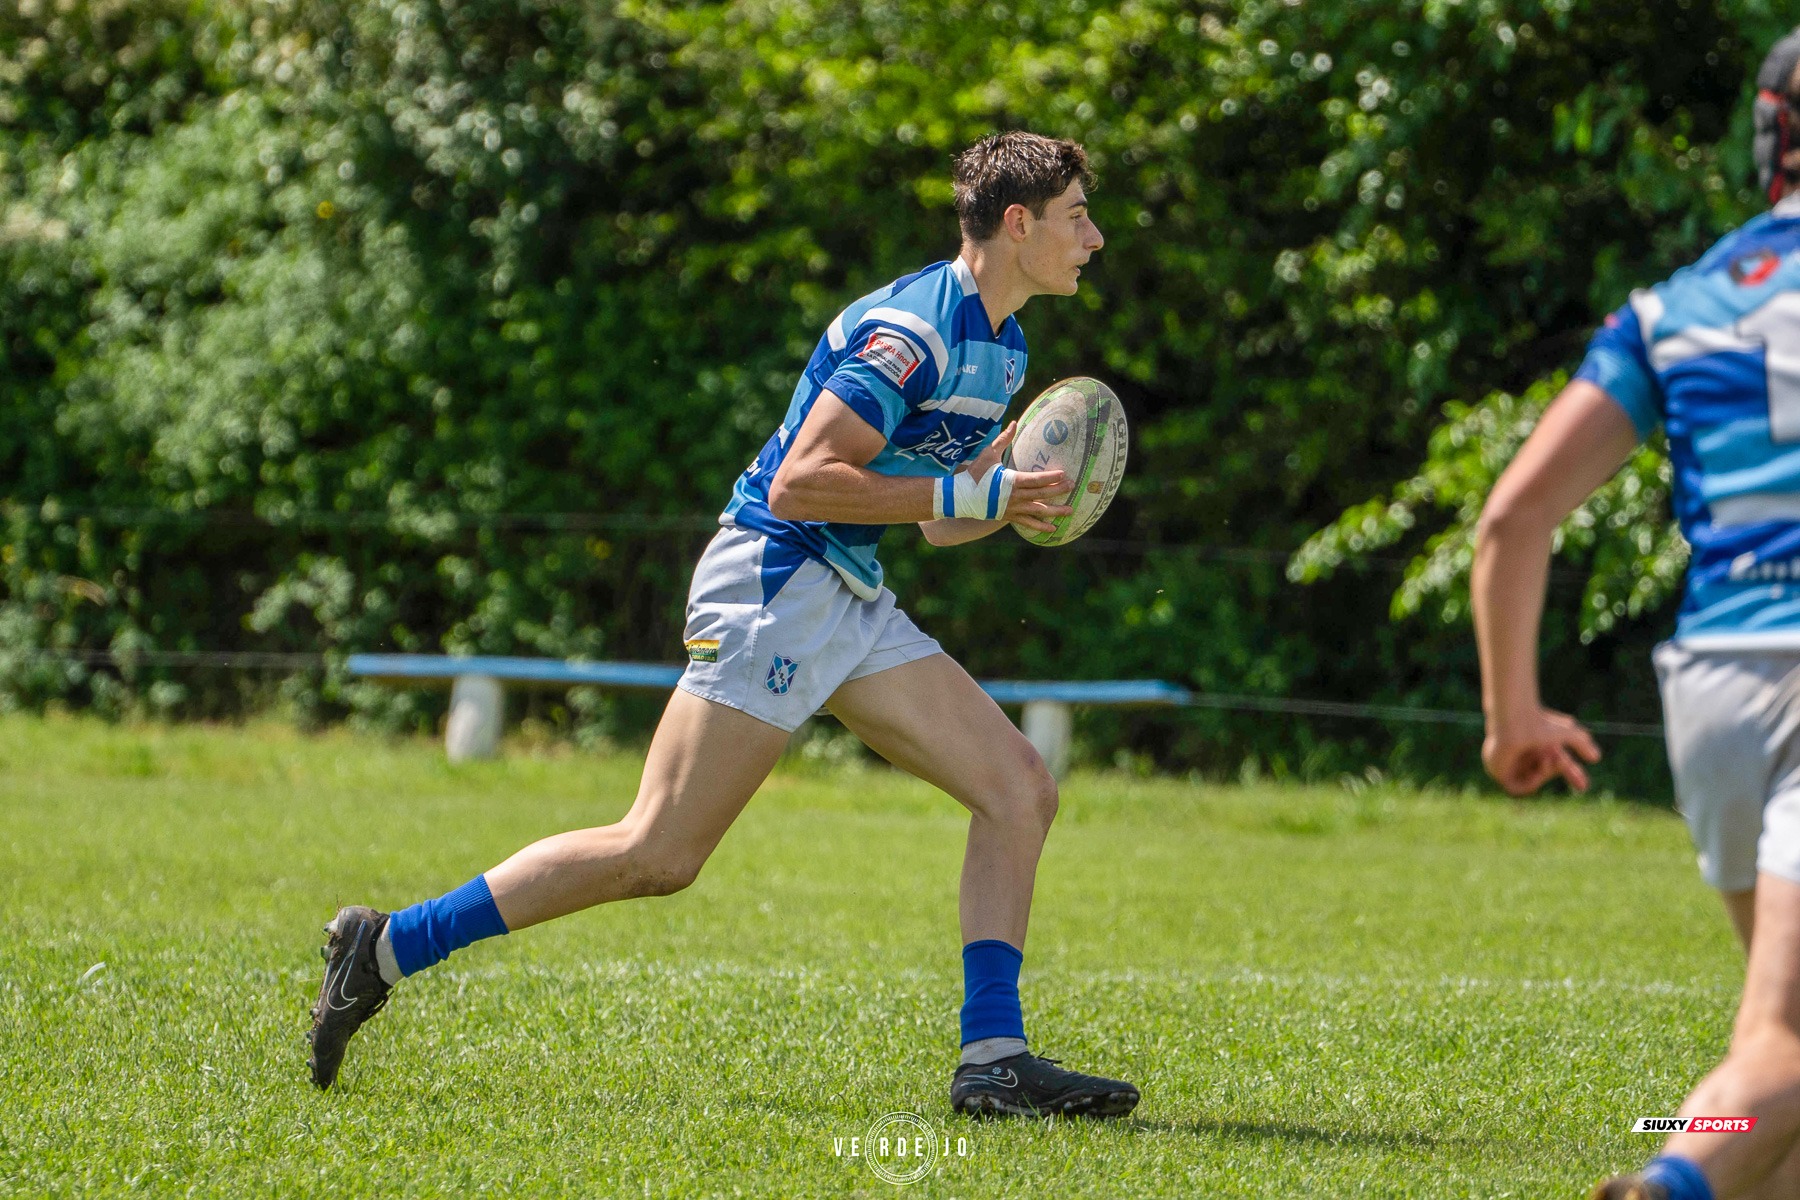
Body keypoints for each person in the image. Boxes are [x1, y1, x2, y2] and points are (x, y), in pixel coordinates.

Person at [307, 131, 1141, 1119]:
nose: (1093, 236)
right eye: (1078, 214)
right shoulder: (910, 334)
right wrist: (977, 492)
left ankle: (993, 1061)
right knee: (657, 852)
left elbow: (928, 515)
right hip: (776, 584)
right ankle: (388, 944)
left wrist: (998, 497)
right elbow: (803, 483)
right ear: (1018, 222)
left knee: (1017, 786)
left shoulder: (1002, 346)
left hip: (849, 592)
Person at [1472, 29, 1800, 1200]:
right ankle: (1667, 1184)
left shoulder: (1677, 307)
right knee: (1788, 1047)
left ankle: (1695, 1170)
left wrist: (1513, 715)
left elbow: (1513, 519)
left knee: (1783, 1064)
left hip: (1715, 687)